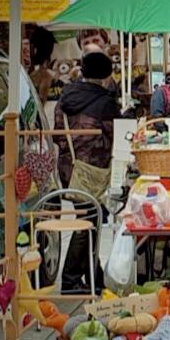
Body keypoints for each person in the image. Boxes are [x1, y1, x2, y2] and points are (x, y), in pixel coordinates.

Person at [54, 51, 119, 291]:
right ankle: (70, 280)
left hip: (68, 167)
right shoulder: (106, 103)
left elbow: (58, 132)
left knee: (91, 217)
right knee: (88, 221)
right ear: (107, 75)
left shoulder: (65, 97)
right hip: (92, 171)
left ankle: (94, 277)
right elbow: (115, 136)